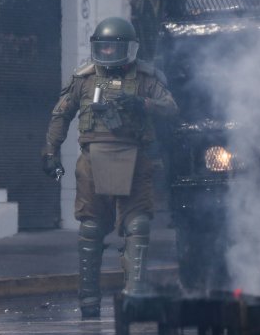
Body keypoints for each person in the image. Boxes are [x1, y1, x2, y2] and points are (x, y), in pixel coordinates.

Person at [41, 16, 178, 319]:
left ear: (131, 49)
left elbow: (170, 108)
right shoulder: (85, 78)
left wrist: (142, 104)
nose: (108, 55)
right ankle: (89, 301)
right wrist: (50, 151)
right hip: (92, 159)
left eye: (114, 48)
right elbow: (61, 115)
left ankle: (135, 298)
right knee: (90, 229)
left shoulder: (146, 77)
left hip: (136, 157)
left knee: (138, 226)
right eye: (102, 49)